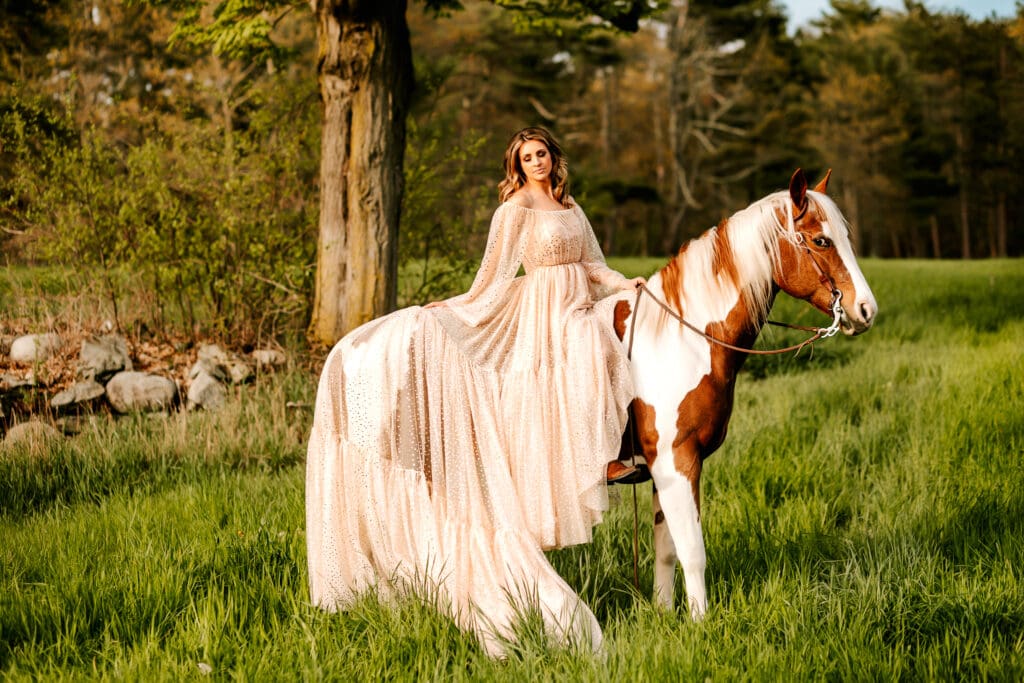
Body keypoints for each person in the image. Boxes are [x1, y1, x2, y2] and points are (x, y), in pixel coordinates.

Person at [305, 126, 645, 656]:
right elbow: (492, 275)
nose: (536, 162)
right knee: (584, 342)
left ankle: (622, 447)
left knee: (616, 334)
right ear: (518, 165)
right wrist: (456, 307)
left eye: (542, 154)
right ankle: (598, 459)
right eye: (526, 157)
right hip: (541, 313)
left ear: (554, 157)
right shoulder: (514, 209)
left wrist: (626, 283)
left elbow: (593, 264)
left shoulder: (571, 206)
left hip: (580, 299)